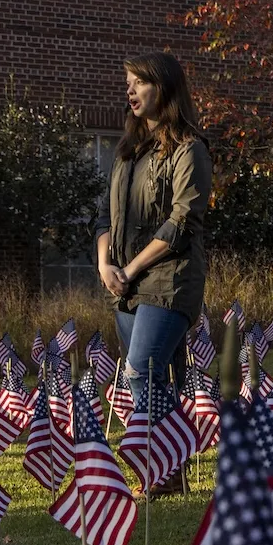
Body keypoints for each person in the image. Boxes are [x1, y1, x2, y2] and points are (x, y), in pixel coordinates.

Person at [97, 51, 210, 410]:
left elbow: (183, 220)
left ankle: (157, 461)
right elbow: (103, 215)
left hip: (168, 281)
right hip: (124, 285)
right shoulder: (127, 152)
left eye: (139, 82)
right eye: (127, 84)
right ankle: (166, 464)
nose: (130, 91)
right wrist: (105, 267)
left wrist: (130, 269)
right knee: (155, 378)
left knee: (140, 371)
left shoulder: (189, 148)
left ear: (163, 87)